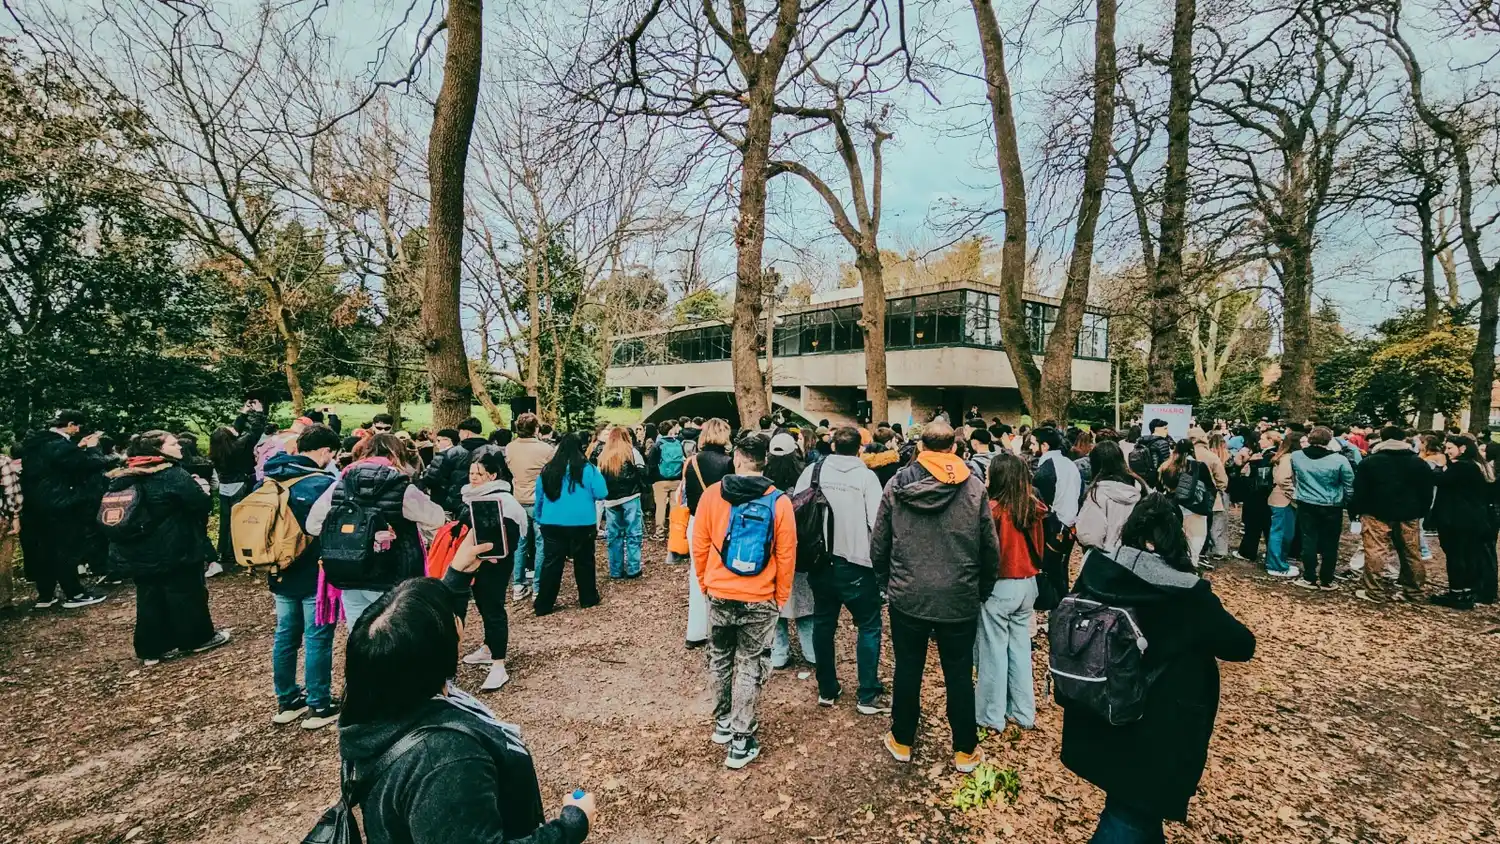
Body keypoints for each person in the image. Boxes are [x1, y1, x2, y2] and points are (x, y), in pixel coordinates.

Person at [338, 532, 595, 844]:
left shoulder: (379, 697)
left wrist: (458, 574)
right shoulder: (445, 762)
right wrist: (571, 826)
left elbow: (421, 635)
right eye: (453, 620)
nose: (460, 622)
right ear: (439, 651)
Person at [1061, 494, 1256, 843]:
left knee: (1136, 811)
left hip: (1096, 703)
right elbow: (1241, 644)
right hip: (1156, 722)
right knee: (1130, 815)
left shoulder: (1097, 570)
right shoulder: (1187, 595)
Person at [871, 421, 999, 772]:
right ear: (954, 448)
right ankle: (964, 749)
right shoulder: (974, 487)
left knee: (907, 668)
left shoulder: (897, 484)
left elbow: (879, 542)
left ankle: (902, 739)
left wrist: (887, 583)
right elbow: (990, 547)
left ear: (921, 447)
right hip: (958, 594)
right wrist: (982, 589)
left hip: (908, 594)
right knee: (959, 673)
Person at [692, 432, 797, 769]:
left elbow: (699, 544)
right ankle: (741, 739)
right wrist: (780, 596)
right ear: (765, 461)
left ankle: (723, 723)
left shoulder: (712, 495)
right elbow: (786, 554)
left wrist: (705, 583)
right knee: (750, 664)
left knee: (720, 657)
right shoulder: (779, 502)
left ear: (737, 458)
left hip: (719, 592)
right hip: (760, 595)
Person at [104, 431, 231, 665]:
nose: (179, 447)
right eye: (172, 444)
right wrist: (202, 488)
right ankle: (197, 638)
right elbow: (200, 504)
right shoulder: (172, 474)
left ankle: (150, 649)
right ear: (158, 450)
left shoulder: (124, 476)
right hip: (175, 546)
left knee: (148, 598)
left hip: (138, 550)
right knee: (186, 593)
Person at [308, 433, 448, 627]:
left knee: (358, 632)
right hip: (393, 572)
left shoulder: (340, 484)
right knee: (392, 632)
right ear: (396, 456)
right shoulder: (401, 487)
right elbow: (436, 518)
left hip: (348, 570)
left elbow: (313, 525)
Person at [794, 426, 886, 712]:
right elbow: (878, 524)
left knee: (824, 622)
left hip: (820, 560)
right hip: (857, 562)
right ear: (860, 449)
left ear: (833, 445)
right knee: (868, 625)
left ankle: (827, 688)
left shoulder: (812, 472)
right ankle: (867, 693)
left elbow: (796, 509)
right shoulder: (866, 478)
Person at [261, 425, 340, 728]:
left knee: (285, 635)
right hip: (314, 571)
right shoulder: (322, 484)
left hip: (279, 568)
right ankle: (319, 704)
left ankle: (287, 700)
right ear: (325, 451)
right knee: (317, 637)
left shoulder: (270, 479)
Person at [975, 452, 1043, 732]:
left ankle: (991, 715)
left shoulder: (992, 510)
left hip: (1000, 584)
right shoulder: (1033, 508)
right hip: (1028, 582)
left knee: (993, 651)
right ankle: (1023, 711)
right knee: (1020, 648)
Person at [20, 410, 112, 609]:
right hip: (62, 503)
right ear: (70, 424)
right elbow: (87, 465)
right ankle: (75, 593)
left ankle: (45, 595)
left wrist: (77, 448)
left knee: (43, 549)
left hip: (35, 505)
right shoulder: (60, 445)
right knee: (65, 548)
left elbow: (56, 464)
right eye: (78, 426)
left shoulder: (36, 444)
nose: (78, 431)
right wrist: (93, 449)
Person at [456, 451, 527, 690]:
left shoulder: (503, 502)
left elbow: (510, 538)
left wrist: (493, 553)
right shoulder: (473, 496)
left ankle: (499, 664)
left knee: (493, 607)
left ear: (493, 476)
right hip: (476, 560)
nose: (473, 477)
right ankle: (488, 647)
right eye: (471, 473)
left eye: (479, 474)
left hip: (493, 563)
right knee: (484, 604)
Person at [1347, 426, 1433, 604]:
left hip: (1376, 512)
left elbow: (1360, 490)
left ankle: (1374, 591)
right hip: (1409, 513)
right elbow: (1426, 490)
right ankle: (1414, 591)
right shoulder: (1418, 462)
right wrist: (1422, 511)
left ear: (1382, 438)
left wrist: (1355, 511)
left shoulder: (1371, 462)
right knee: (1411, 552)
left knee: (1376, 551)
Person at [533, 433, 608, 616]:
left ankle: (544, 604)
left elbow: (539, 496)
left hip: (552, 522)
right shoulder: (588, 469)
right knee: (584, 561)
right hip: (582, 522)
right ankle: (588, 598)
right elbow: (601, 492)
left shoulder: (548, 469)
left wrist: (539, 517)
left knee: (552, 563)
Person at [681, 419, 735, 648]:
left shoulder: (691, 461)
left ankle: (696, 631)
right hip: (721, 522)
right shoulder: (729, 463)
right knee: (725, 574)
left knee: (697, 574)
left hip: (696, 522)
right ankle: (722, 627)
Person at [1429, 434, 1494, 610]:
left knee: (1456, 555)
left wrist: (1439, 468)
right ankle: (1466, 591)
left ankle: (1457, 593)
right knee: (1466, 555)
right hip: (1471, 518)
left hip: (1456, 519)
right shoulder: (1475, 466)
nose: (1447, 451)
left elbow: (1440, 480)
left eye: (1450, 448)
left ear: (1462, 449)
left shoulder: (1462, 467)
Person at [1289, 427, 1354, 591]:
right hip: (1332, 505)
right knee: (1330, 543)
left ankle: (1309, 576)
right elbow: (1349, 484)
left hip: (1306, 502)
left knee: (1308, 540)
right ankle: (1327, 579)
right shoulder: (1339, 460)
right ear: (1329, 440)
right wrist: (1348, 502)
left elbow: (1294, 477)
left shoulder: (1296, 456)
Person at [506, 414, 555, 602]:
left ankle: (518, 584)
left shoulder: (510, 448)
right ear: (536, 429)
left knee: (520, 543)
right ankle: (538, 587)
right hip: (539, 500)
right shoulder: (546, 449)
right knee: (541, 543)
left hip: (518, 499)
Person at [420, 417, 500, 518]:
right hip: (486, 498)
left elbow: (437, 478)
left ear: (466, 433)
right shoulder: (494, 451)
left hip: (456, 503)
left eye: (460, 433)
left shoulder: (452, 453)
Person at [1032, 427, 1081, 590]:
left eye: (1033, 443)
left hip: (1053, 525)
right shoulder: (1070, 464)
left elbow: (1041, 502)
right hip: (1070, 524)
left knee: (1050, 571)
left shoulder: (1045, 469)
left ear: (1044, 446)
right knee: (1061, 568)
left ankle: (1054, 600)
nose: (1031, 447)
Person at [1074, 441, 1144, 554]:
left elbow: (1090, 535)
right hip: (1132, 556)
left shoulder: (1097, 494)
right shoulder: (1137, 489)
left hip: (1105, 556)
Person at [595, 427, 646, 580]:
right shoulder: (632, 452)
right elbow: (642, 472)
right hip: (631, 496)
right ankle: (633, 568)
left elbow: (599, 477)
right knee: (633, 533)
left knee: (614, 535)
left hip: (611, 500)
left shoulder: (603, 455)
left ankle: (615, 570)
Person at [1157, 440, 1214, 569]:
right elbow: (1210, 487)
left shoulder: (1165, 466)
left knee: (1174, 540)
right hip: (1195, 509)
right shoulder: (1199, 467)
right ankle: (1192, 566)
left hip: (1173, 507)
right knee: (1195, 541)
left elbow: (1160, 487)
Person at [1233, 430, 1281, 564]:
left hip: (1257, 493)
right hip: (1266, 494)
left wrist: (1251, 463)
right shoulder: (1273, 454)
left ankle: (1247, 552)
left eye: (1263, 438)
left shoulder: (1267, 457)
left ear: (1270, 441)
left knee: (1253, 524)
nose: (1259, 441)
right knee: (1266, 525)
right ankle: (1270, 552)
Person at [646, 420, 687, 540]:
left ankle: (660, 532)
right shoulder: (679, 443)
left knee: (661, 506)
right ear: (671, 430)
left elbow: (651, 464)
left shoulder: (658, 445)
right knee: (674, 506)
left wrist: (652, 479)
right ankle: (673, 531)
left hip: (660, 480)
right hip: (677, 479)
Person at [1200, 430, 1232, 559]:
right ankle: (1219, 549)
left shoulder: (1204, 455)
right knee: (1220, 521)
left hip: (1206, 491)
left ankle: (1205, 546)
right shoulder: (1226, 456)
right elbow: (1224, 478)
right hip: (1220, 491)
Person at [0, 437, 19, 609]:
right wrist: (16, 516)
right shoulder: (3, 461)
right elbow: (11, 492)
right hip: (2, 517)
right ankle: (4, 599)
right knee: (3, 559)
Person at [1131, 419, 1174, 489]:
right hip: (1156, 478)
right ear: (1156, 429)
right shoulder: (1162, 442)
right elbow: (1166, 464)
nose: (1167, 431)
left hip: (1142, 476)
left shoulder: (1141, 440)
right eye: (1165, 428)